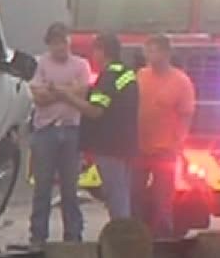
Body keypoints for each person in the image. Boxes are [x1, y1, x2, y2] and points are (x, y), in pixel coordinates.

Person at [26, 23, 91, 245]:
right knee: (42, 187)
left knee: (70, 188)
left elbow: (83, 91)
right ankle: (38, 235)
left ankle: (73, 235)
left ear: (68, 42)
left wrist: (55, 89)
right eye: (54, 42)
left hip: (72, 130)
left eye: (62, 41)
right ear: (49, 44)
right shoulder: (40, 63)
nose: (59, 46)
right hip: (45, 131)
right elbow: (38, 97)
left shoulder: (82, 65)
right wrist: (67, 91)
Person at [136, 34, 196, 240]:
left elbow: (186, 115)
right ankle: (137, 239)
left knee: (163, 201)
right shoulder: (140, 76)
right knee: (134, 197)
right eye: (148, 51)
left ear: (167, 53)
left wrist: (178, 143)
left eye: (155, 51)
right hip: (139, 150)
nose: (151, 56)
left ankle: (164, 242)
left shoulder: (181, 81)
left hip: (165, 152)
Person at [77, 33, 140, 223]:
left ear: (102, 51)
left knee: (116, 194)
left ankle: (121, 235)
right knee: (122, 191)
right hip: (126, 143)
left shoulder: (109, 76)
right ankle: (125, 231)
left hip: (109, 145)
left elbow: (95, 110)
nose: (93, 55)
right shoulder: (127, 72)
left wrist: (68, 99)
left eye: (95, 50)